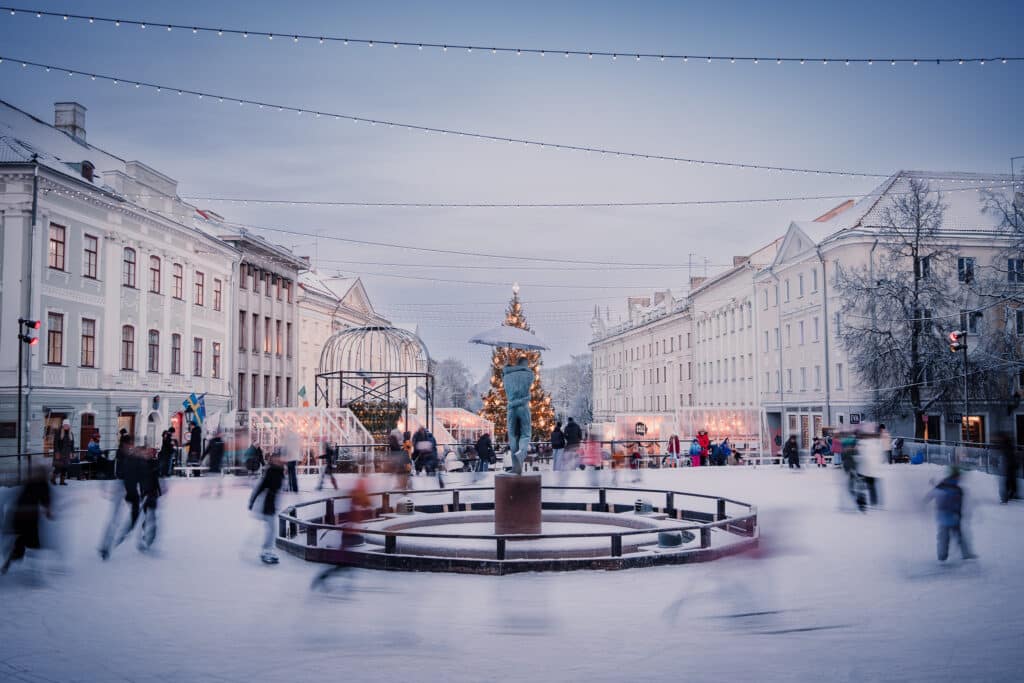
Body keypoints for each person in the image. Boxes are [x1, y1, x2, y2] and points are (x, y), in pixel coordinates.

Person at [1, 466, 52, 575]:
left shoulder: (29, 482)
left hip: (19, 517)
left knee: (21, 545)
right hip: (29, 519)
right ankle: (34, 573)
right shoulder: (42, 485)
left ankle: (8, 565)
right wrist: (49, 512)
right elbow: (46, 503)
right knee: (32, 545)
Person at [925, 466, 977, 562]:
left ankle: (942, 556)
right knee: (959, 537)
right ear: (956, 476)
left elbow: (931, 495)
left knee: (944, 537)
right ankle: (965, 554)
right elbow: (959, 504)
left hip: (942, 516)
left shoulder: (943, 484)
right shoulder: (957, 489)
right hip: (953, 517)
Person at [248, 451, 285, 565]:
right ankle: (266, 551)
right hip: (267, 504)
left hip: (273, 504)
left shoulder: (280, 471)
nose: (278, 460)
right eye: (276, 459)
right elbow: (260, 487)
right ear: (272, 460)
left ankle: (267, 550)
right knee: (271, 530)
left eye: (279, 458)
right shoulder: (271, 471)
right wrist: (252, 501)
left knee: (271, 530)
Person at [996, 432, 1019, 504]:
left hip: (1008, 467)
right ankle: (1011, 494)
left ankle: (1005, 498)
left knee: (1007, 482)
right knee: (1011, 481)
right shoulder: (1008, 445)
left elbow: (1008, 456)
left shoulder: (1005, 445)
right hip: (1011, 466)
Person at [202, 429, 226, 496]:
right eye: (218, 433)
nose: (219, 435)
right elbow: (207, 451)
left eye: (220, 433)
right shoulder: (212, 441)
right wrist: (202, 458)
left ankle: (219, 490)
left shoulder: (221, 442)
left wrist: (222, 462)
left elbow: (222, 453)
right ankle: (208, 490)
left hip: (218, 462)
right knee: (210, 476)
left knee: (217, 477)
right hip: (212, 461)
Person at [51, 420, 74, 486]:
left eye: (67, 425)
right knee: (58, 467)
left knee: (65, 468)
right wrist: (57, 452)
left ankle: (62, 481)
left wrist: (72, 452)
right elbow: (55, 444)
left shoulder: (70, 433)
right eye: (65, 425)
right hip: (60, 453)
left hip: (67, 454)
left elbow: (72, 444)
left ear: (69, 426)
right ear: (63, 425)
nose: (66, 426)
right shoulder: (58, 432)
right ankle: (53, 479)